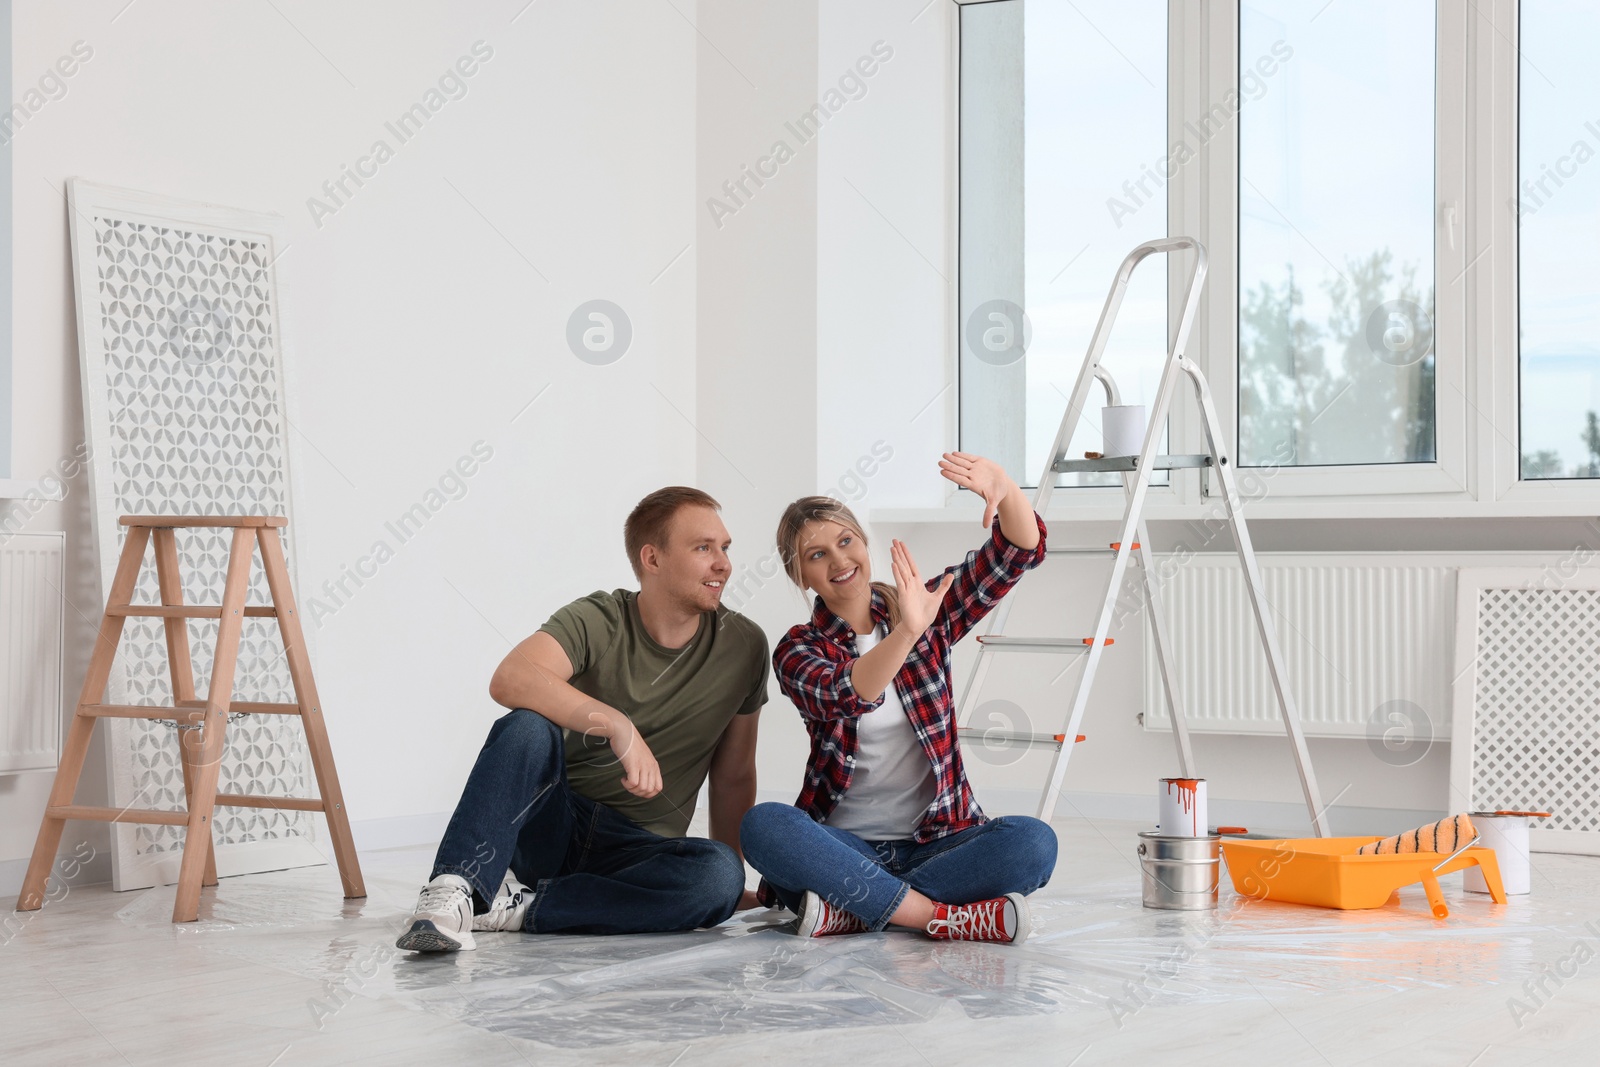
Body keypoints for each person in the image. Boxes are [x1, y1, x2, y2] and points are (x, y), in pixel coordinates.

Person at [397, 487, 768, 951]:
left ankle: (521, 909)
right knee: (527, 726)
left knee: (715, 877)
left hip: (641, 849)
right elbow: (511, 678)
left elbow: (733, 774)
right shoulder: (600, 617)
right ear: (652, 559)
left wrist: (733, 880)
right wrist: (617, 724)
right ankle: (455, 893)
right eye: (703, 548)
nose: (723, 564)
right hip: (555, 826)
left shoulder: (744, 645)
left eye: (725, 548)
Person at [740, 452, 1058, 945]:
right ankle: (937, 916)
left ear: (864, 544)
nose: (840, 560)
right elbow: (851, 694)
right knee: (765, 826)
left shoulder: (922, 607)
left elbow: (1016, 551)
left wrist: (1007, 489)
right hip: (846, 847)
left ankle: (852, 910)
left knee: (1035, 843)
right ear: (800, 576)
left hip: (940, 843)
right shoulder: (798, 648)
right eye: (817, 554)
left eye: (846, 541)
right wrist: (909, 630)